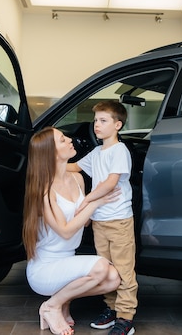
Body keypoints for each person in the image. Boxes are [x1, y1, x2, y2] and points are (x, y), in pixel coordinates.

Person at [23, 127, 122, 335]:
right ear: (51, 152)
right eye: (62, 139)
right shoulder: (44, 190)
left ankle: (58, 302)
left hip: (67, 260)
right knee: (102, 266)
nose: (70, 140)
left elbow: (83, 223)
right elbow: (66, 232)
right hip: (45, 268)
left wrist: (96, 200)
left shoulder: (77, 179)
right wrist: (96, 203)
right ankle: (52, 306)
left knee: (113, 278)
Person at [68, 101, 138, 335]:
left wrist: (87, 200)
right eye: (96, 120)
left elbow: (110, 183)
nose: (97, 124)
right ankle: (111, 308)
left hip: (119, 222)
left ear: (117, 125)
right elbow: (75, 167)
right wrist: (50, 163)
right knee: (107, 269)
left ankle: (125, 317)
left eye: (103, 120)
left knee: (124, 270)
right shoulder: (97, 152)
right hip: (100, 222)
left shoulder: (119, 151)